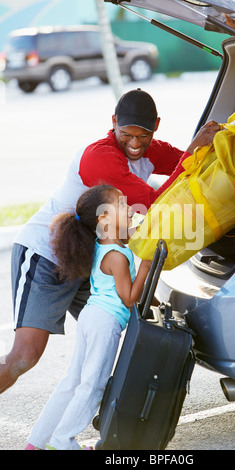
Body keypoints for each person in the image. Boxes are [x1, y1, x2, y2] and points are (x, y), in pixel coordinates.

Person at [0, 88, 216, 394]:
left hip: (88, 259)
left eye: (144, 135)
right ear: (114, 122)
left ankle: (121, 408)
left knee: (144, 317)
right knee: (24, 357)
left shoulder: (147, 148)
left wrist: (210, 148)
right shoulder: (99, 158)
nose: (135, 143)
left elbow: (183, 166)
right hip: (45, 256)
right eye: (127, 133)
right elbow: (157, 201)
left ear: (156, 125)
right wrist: (194, 151)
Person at [25, 184, 152, 450]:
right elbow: (129, 298)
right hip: (105, 322)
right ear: (104, 218)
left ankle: (37, 442)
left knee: (73, 382)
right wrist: (146, 268)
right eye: (122, 205)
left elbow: (129, 236)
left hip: (91, 317)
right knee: (92, 386)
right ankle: (62, 442)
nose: (130, 209)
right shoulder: (116, 255)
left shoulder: (105, 244)